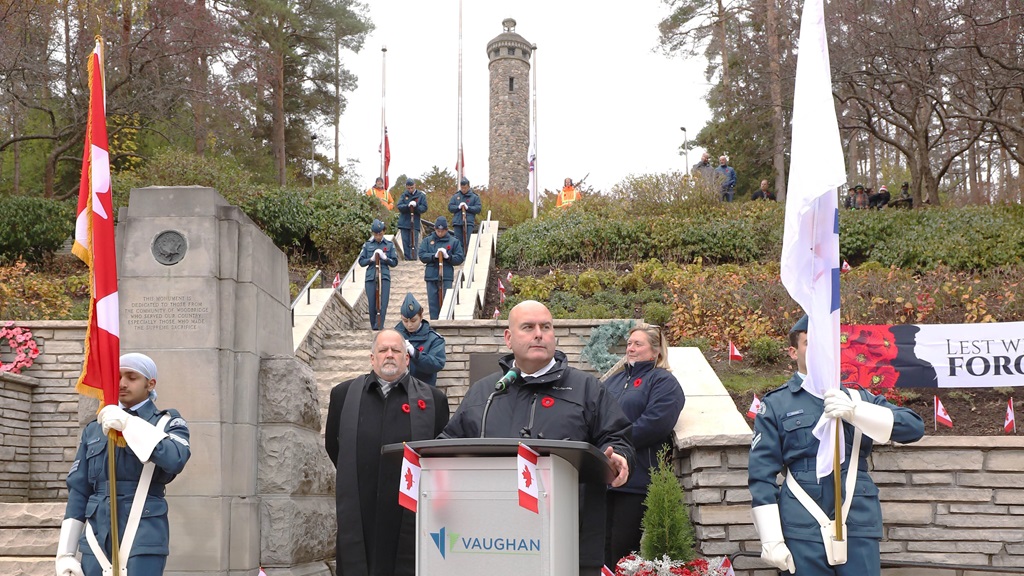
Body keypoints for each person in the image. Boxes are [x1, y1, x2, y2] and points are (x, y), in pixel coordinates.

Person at [440, 300, 634, 576]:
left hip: (572, 543)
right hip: (494, 543)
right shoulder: (485, 393)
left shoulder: (586, 389)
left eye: (546, 327)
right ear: (509, 338)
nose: (539, 334)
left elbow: (617, 437)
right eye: (528, 327)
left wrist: (620, 459)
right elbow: (447, 446)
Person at [748, 315, 924, 576]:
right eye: (809, 343)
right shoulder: (777, 404)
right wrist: (771, 538)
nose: (819, 349)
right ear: (793, 351)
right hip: (801, 524)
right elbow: (761, 475)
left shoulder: (857, 397)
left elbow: (913, 427)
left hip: (857, 521)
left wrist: (857, 412)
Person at [325, 329, 450, 576]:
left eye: (396, 350)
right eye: (383, 350)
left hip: (407, 509)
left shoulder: (434, 400)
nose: (389, 355)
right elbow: (333, 446)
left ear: (407, 358)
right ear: (373, 358)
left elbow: (439, 454)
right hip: (360, 506)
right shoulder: (343, 395)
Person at [57, 353, 191, 576]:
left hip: (143, 531)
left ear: (150, 383)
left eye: (132, 377)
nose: (121, 383)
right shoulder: (94, 428)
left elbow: (175, 458)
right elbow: (79, 489)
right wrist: (66, 552)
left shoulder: (167, 422)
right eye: (117, 376)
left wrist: (129, 424)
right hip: (97, 533)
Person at [602, 324, 685, 568]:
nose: (631, 348)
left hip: (637, 480)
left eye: (638, 344)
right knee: (600, 546)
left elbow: (656, 423)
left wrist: (616, 446)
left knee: (622, 549)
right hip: (604, 478)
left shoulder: (663, 381)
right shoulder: (613, 381)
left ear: (655, 352)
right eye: (629, 343)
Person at [394, 292, 447, 386]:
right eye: (405, 321)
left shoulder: (434, 339)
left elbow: (437, 364)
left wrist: (415, 353)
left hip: (423, 391)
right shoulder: (394, 336)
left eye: (413, 320)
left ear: (421, 317)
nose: (409, 325)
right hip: (398, 390)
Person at [417, 217, 465, 320]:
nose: (439, 233)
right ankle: (435, 324)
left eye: (442, 231)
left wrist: (448, 257)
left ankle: (446, 323)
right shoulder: (427, 240)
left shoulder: (453, 241)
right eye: (438, 231)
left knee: (446, 301)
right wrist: (433, 256)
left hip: (446, 275)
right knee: (433, 304)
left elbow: (460, 257)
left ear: (446, 230)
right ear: (434, 229)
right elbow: (422, 255)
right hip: (431, 275)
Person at [358, 219, 398, 330]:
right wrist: (370, 259)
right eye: (376, 234)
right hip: (371, 277)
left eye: (380, 233)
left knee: (383, 303)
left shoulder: (389, 245)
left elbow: (394, 262)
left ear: (383, 232)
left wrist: (385, 258)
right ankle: (373, 325)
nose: (378, 236)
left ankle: (379, 325)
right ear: (373, 233)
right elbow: (361, 262)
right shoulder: (367, 245)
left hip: (384, 276)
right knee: (372, 303)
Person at [396, 178, 428, 260]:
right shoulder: (404, 195)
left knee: (414, 244)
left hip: (415, 223)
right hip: (404, 223)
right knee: (405, 243)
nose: (410, 190)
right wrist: (407, 206)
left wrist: (416, 206)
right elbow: (399, 206)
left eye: (412, 188)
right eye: (408, 188)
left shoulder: (421, 195)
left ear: (415, 186)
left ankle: (413, 260)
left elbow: (424, 208)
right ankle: (407, 260)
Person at [447, 177, 482, 247]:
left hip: (469, 222)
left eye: (465, 188)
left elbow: (478, 208)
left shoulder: (474, 197)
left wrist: (468, 208)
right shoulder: (456, 196)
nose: (463, 189)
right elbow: (450, 207)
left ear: (468, 187)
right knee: (458, 242)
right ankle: (460, 256)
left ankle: (467, 256)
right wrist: (458, 207)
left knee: (468, 241)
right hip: (457, 222)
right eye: (462, 188)